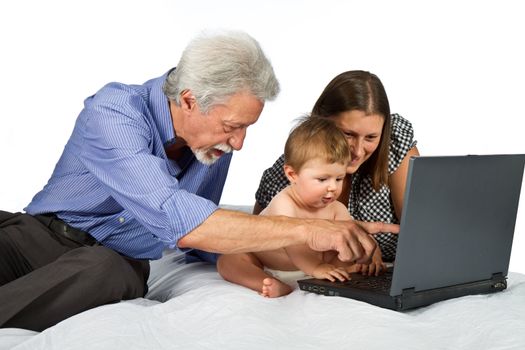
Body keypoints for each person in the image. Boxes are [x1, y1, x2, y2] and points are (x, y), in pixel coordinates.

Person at [0, 31, 398, 331]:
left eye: (247, 129)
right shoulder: (116, 111)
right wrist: (307, 231)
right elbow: (184, 219)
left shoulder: (213, 147)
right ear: (189, 100)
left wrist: (267, 255)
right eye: (232, 126)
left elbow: (206, 232)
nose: (238, 143)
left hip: (110, 263)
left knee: (106, 267)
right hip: (33, 238)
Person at [254, 70, 419, 267]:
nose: (357, 152)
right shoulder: (292, 176)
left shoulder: (394, 148)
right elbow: (256, 244)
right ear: (320, 122)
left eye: (371, 137)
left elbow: (421, 232)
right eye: (348, 134)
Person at [217, 117, 387, 297]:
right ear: (292, 174)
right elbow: (294, 246)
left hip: (316, 263)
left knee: (348, 254)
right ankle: (264, 282)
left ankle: (348, 268)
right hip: (266, 261)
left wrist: (372, 254)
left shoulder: (336, 209)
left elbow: (355, 235)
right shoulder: (284, 203)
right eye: (322, 179)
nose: (333, 187)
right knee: (228, 260)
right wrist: (316, 268)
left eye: (339, 178)